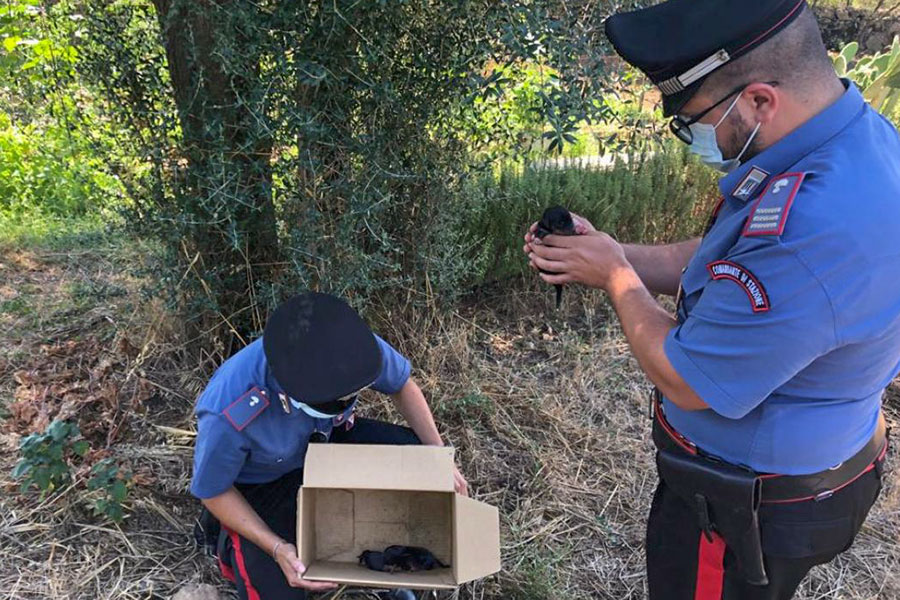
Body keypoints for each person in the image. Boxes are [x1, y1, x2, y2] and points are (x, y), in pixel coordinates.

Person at [524, 1, 898, 598]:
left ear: (759, 101)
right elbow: (722, 258)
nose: (690, 137)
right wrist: (609, 253)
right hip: (820, 460)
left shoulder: (813, 228)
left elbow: (686, 379)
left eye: (693, 120)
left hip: (744, 507)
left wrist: (616, 276)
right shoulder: (853, 138)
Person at [190, 292, 468, 600]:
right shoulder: (228, 409)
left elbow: (401, 385)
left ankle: (394, 568)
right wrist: (277, 548)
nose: (346, 401)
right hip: (263, 484)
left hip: (329, 444)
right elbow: (214, 491)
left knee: (419, 464)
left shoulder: (347, 345)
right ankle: (227, 542)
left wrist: (438, 458)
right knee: (278, 590)